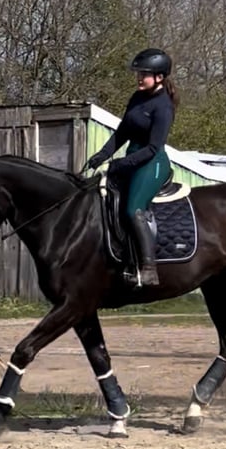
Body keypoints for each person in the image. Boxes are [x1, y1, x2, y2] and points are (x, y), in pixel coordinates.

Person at [87, 48, 179, 287]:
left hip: (152, 163)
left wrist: (119, 163)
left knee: (132, 209)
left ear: (159, 76)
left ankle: (149, 268)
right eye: (138, 73)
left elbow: (152, 149)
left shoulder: (163, 106)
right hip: (132, 158)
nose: (139, 77)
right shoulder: (137, 98)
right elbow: (122, 133)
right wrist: (103, 154)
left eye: (144, 74)